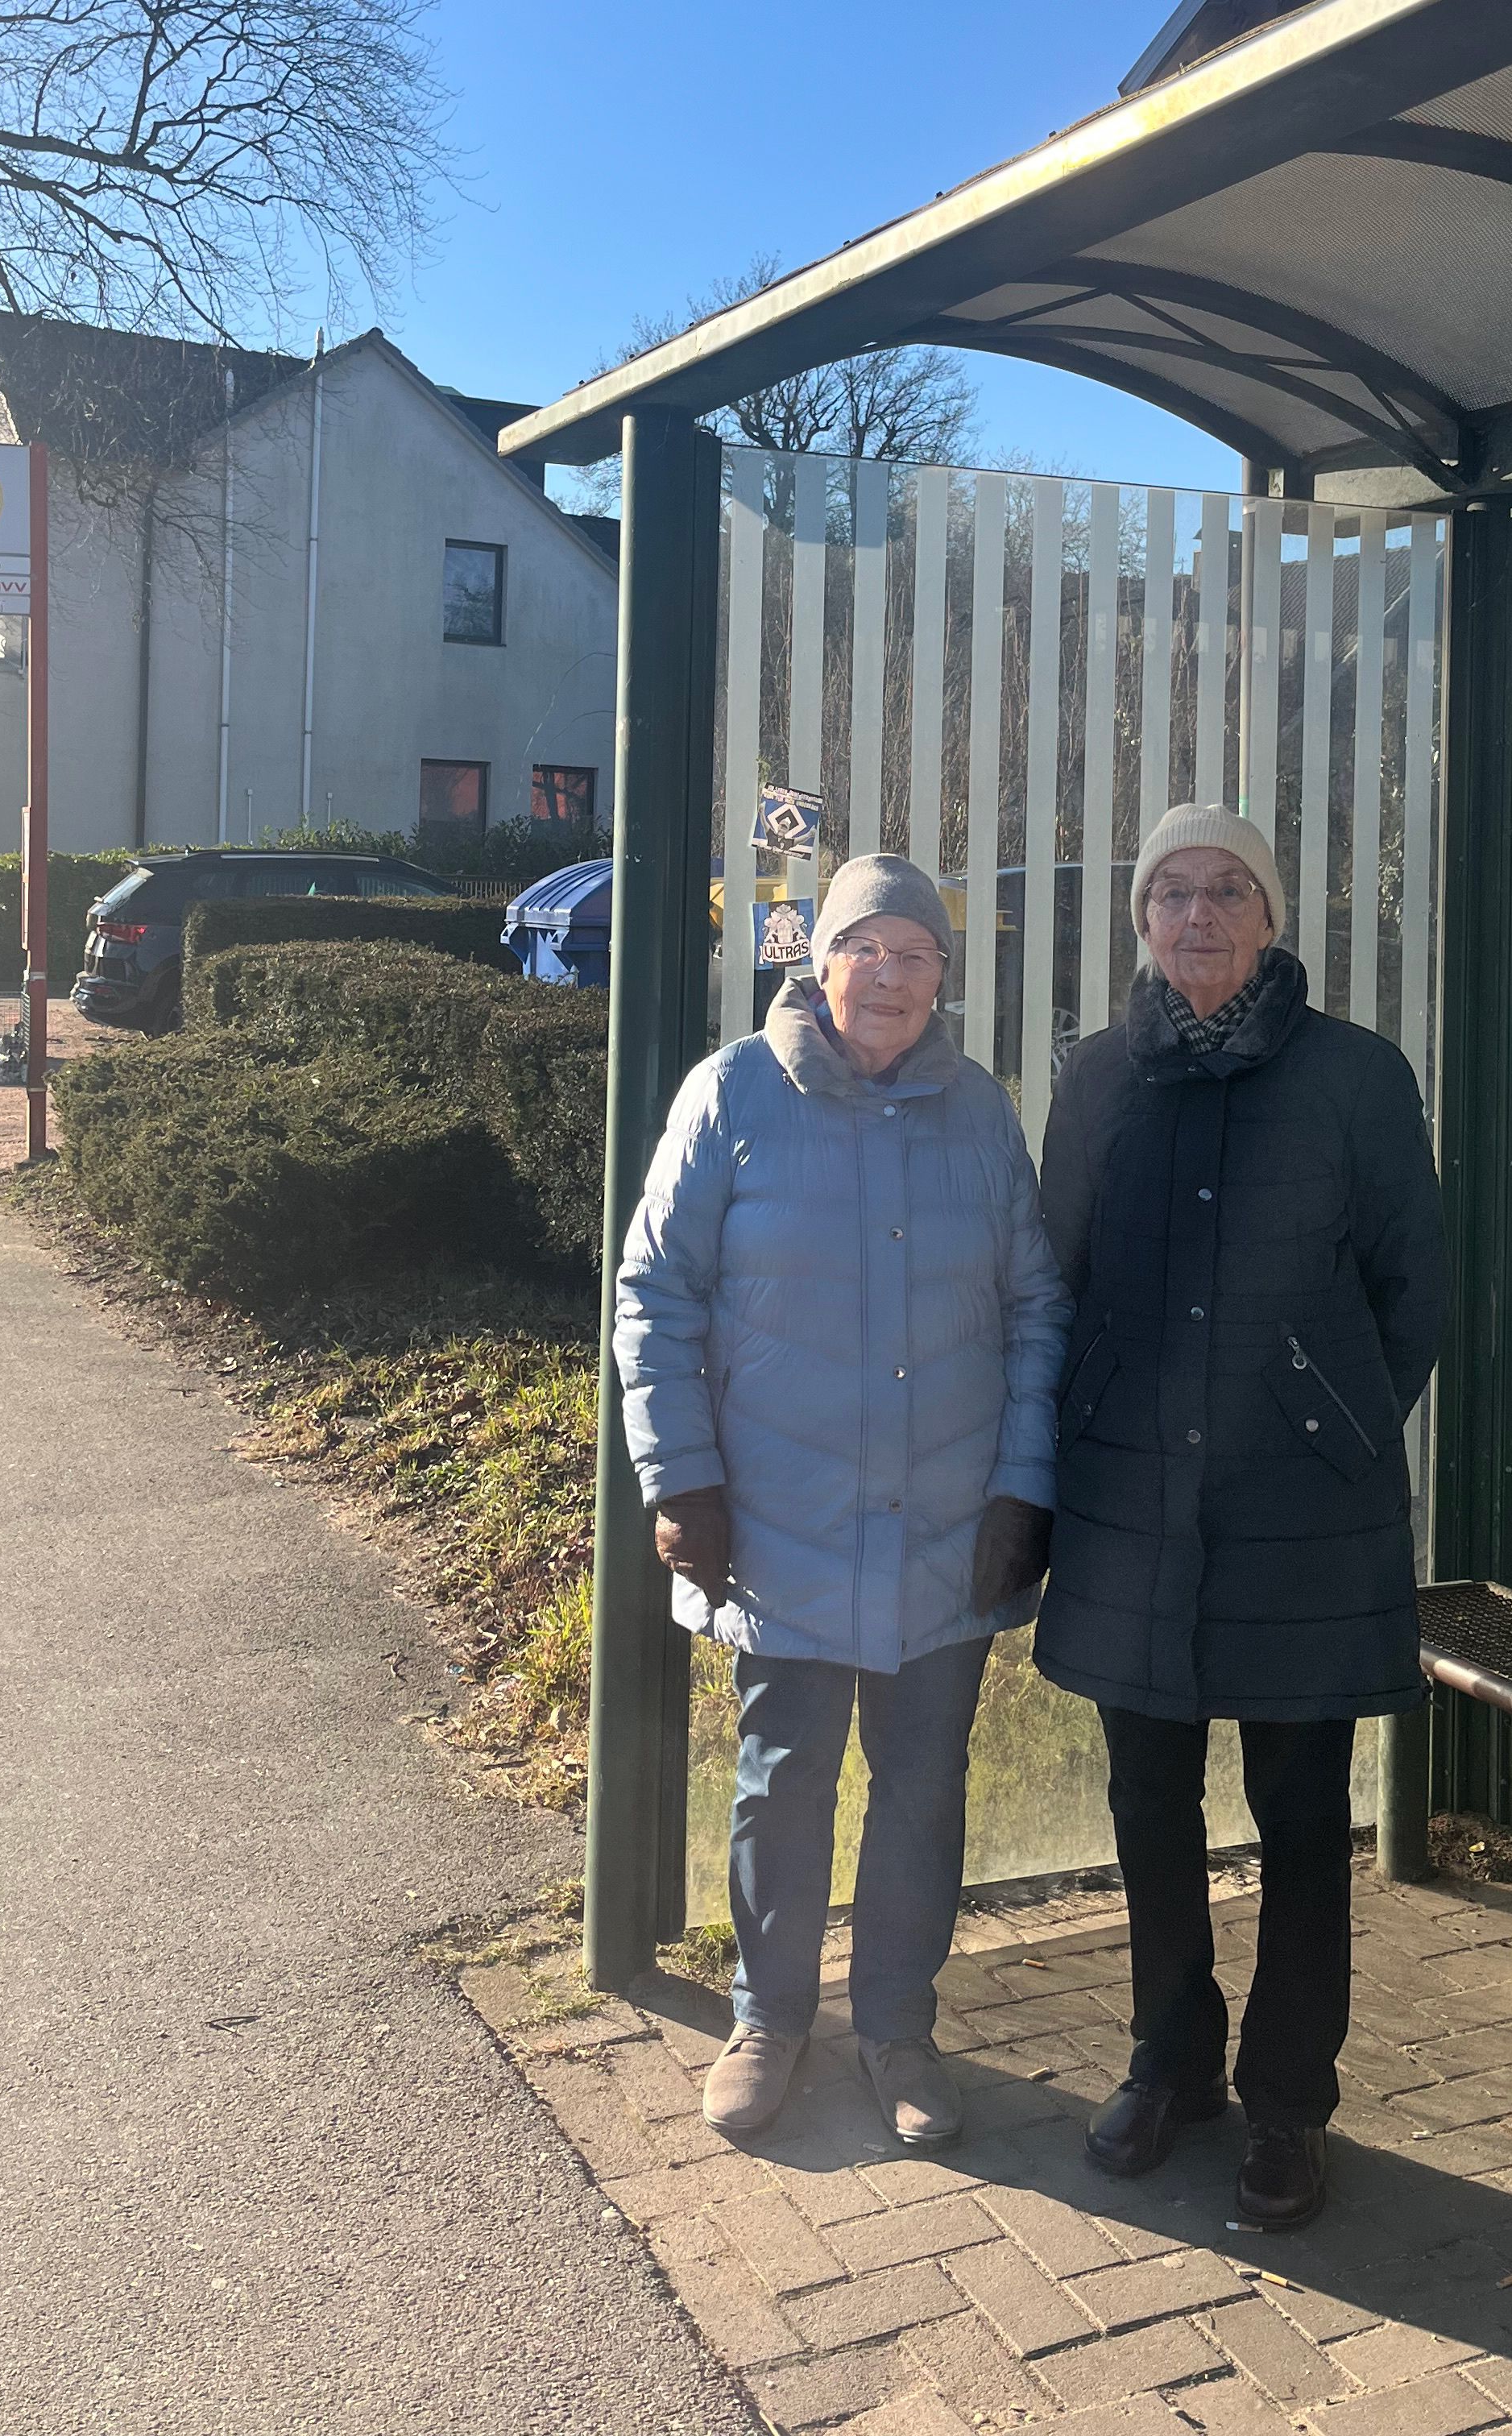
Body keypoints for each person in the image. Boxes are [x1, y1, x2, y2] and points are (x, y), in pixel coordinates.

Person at [615, 853, 1070, 2148]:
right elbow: (653, 1295)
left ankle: (898, 2030)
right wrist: (681, 1477)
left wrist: (1021, 1490)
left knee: (924, 1785)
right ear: (817, 964)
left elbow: (1037, 1308)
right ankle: (771, 2022)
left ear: (942, 981)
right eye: (864, 949)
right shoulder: (735, 1096)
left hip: (944, 1533)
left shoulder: (979, 1114)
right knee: (783, 1778)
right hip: (780, 1527)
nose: (888, 975)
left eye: (914, 955)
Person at [1035, 805, 1446, 2230]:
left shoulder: (1357, 1079)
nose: (1197, 916)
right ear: (1140, 919)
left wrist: (1324, 1424)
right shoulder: (1097, 1080)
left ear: (1271, 917)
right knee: (1148, 1804)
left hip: (1302, 1521)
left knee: (1300, 1815)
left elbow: (1418, 1291)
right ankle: (1170, 2060)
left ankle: (1286, 2101)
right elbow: (1061, 1283)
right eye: (1169, 892)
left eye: (1226, 891)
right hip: (1130, 1508)